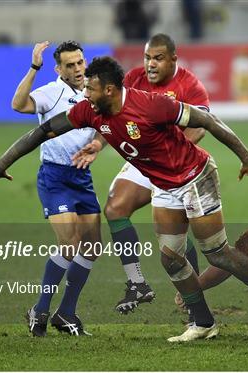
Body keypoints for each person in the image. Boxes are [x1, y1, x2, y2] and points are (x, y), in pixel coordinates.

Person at [0, 56, 248, 342]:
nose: (85, 94)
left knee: (216, 253)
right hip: (164, 186)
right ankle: (204, 323)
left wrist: (247, 158)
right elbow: (41, 132)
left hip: (195, 176)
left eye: (91, 89)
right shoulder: (90, 111)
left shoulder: (151, 105)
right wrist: (1, 165)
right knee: (171, 259)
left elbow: (206, 119)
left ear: (109, 90)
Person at [76, 33, 208, 317]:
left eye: (158, 58)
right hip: (139, 159)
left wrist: (168, 155)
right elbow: (109, 114)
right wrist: (98, 143)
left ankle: (191, 291)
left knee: (176, 229)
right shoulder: (134, 78)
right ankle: (137, 282)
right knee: (114, 208)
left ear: (174, 58)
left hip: (174, 163)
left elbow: (200, 126)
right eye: (147, 57)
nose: (150, 64)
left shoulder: (191, 85)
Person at [10, 40, 101, 337]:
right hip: (54, 177)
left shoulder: (94, 90)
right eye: (70, 65)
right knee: (70, 243)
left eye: (80, 62)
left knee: (92, 246)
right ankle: (40, 308)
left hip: (82, 178)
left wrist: (98, 144)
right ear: (58, 68)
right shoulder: (52, 92)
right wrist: (33, 67)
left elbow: (109, 120)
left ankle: (66, 313)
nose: (77, 69)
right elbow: (18, 104)